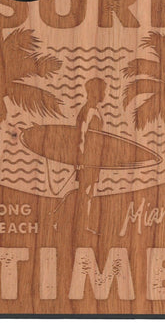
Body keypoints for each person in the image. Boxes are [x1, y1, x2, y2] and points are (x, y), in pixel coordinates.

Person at [74, 78, 107, 233]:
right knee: (85, 193)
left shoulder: (94, 110)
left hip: (94, 160)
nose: (105, 94)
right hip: (87, 160)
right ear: (95, 92)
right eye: (103, 91)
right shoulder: (88, 111)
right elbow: (81, 136)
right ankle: (81, 226)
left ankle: (83, 225)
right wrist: (80, 160)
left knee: (89, 192)